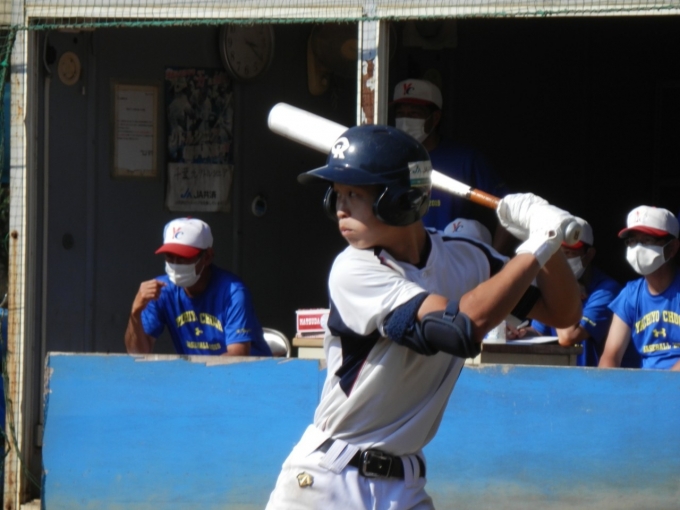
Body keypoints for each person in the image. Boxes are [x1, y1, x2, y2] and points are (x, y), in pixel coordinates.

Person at [265, 125, 581, 509]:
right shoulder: (354, 269)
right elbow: (458, 328)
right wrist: (537, 244)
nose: (340, 209)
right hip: (327, 480)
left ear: (400, 199)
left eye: (355, 194)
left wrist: (547, 241)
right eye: (337, 194)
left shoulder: (466, 256)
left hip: (406, 485)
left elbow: (564, 312)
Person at [391, 78, 511, 251]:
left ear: (435, 118)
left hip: (452, 260)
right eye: (400, 113)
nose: (405, 120)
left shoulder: (465, 159)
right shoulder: (389, 159)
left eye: (414, 114)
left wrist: (493, 260)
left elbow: (509, 209)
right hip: (400, 261)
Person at [124, 217, 272, 356]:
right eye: (169, 256)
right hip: (197, 374)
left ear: (207, 257)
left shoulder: (233, 292)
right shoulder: (161, 290)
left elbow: (237, 356)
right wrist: (135, 313)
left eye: (183, 257)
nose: (175, 264)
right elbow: (137, 354)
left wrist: (195, 372)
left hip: (250, 374)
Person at [512, 217, 639, 367]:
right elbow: (539, 331)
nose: (563, 262)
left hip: (593, 376)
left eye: (568, 253)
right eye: (558, 255)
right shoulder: (552, 284)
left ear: (589, 255)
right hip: (562, 374)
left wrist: (563, 289)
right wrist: (518, 333)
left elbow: (568, 337)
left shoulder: (606, 290)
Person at [599, 206, 680, 370]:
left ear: (672, 247)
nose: (638, 248)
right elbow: (611, 355)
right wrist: (606, 382)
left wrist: (665, 384)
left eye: (647, 240)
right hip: (644, 382)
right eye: (632, 241)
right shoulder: (630, 294)